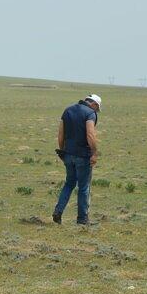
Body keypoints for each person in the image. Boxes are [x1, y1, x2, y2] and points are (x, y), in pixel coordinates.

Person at [53, 94, 101, 225]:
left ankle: (58, 211)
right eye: (97, 109)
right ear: (94, 104)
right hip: (83, 156)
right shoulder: (90, 113)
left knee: (69, 184)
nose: (96, 112)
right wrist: (94, 153)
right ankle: (82, 219)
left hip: (68, 153)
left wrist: (62, 151)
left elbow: (61, 134)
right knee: (84, 187)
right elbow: (90, 134)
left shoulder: (68, 110)